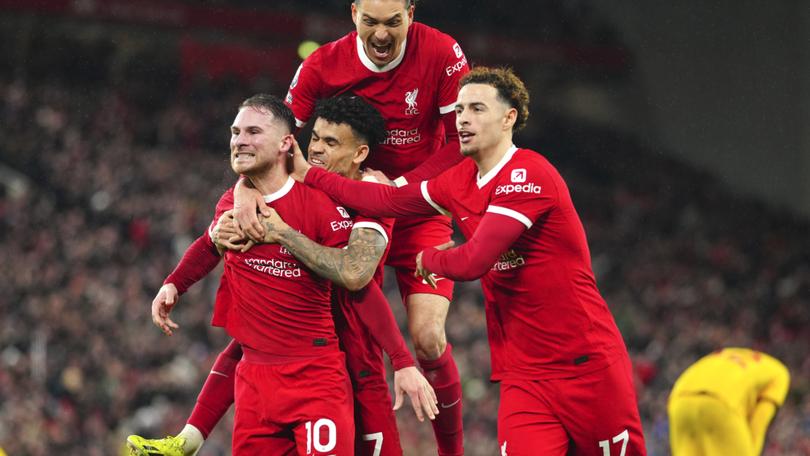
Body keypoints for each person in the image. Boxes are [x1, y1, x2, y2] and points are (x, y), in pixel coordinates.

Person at [289, 66, 648, 455]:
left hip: (587, 366)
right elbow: (389, 201)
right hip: (523, 377)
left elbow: (473, 262)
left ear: (509, 118)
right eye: (459, 110)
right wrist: (311, 175)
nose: (463, 119)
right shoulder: (458, 180)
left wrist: (428, 259)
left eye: (476, 109)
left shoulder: (529, 173)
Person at [127, 96, 437, 456]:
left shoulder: (374, 195)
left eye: (331, 143)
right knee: (246, 341)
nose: (317, 149)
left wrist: (402, 361)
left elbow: (356, 279)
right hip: (280, 354)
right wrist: (241, 194)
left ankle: (189, 441)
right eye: (315, 138)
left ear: (359, 154)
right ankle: (189, 440)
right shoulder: (258, 193)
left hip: (352, 360)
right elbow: (238, 207)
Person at [227, 2, 470, 452]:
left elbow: (460, 143)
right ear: (353, 13)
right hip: (345, 208)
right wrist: (245, 185)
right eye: (371, 21)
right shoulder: (322, 64)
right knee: (320, 325)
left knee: (429, 339)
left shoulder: (441, 52)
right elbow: (274, 132)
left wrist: (395, 190)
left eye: (393, 22)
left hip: (417, 209)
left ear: (411, 14)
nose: (381, 34)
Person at [668, 348, 790, 456]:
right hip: (722, 402)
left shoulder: (726, 353)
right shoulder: (780, 372)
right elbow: (760, 420)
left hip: (679, 401)